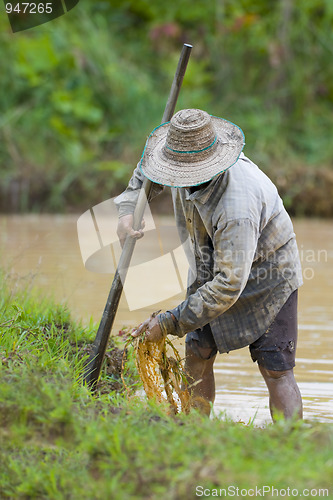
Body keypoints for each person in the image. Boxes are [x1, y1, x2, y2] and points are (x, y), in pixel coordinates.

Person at [115, 108, 303, 421]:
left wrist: (169, 321)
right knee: (197, 352)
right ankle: (194, 431)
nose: (175, 178)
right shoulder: (172, 161)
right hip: (209, 263)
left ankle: (296, 444)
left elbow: (229, 283)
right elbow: (145, 173)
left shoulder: (236, 206)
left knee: (276, 367)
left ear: (209, 167)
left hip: (268, 272)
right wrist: (127, 209)